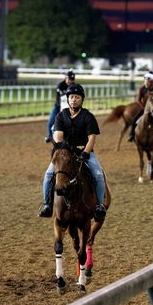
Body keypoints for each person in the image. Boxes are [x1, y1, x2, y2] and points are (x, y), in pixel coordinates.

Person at [38, 83, 107, 220]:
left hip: (84, 152)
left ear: (82, 99)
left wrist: (85, 154)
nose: (74, 99)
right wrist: (64, 151)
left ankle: (99, 206)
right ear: (67, 99)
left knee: (98, 175)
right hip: (65, 153)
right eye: (71, 97)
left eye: (77, 97)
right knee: (48, 175)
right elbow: (58, 137)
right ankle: (47, 205)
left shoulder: (88, 116)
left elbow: (91, 139)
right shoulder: (60, 116)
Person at [128, 71, 153, 144]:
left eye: (148, 82)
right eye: (145, 81)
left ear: (152, 82)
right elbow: (138, 100)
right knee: (134, 120)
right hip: (144, 109)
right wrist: (143, 107)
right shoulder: (142, 89)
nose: (146, 83)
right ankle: (132, 135)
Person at [45, 70, 75, 143]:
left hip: (71, 107)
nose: (69, 81)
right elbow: (61, 96)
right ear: (65, 78)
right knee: (50, 121)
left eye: (71, 79)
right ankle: (49, 135)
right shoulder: (60, 85)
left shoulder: (74, 86)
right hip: (59, 106)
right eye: (68, 79)